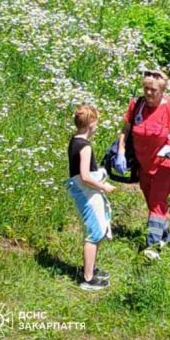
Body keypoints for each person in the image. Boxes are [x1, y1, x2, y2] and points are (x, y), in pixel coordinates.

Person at [117, 70, 170, 259]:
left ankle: (152, 246)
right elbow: (126, 130)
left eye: (154, 90)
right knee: (152, 202)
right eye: (146, 89)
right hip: (144, 163)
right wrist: (120, 152)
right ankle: (165, 236)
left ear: (162, 90)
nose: (149, 93)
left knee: (157, 203)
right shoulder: (136, 105)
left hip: (165, 163)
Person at [66, 105, 114, 291]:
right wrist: (104, 187)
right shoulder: (85, 147)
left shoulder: (74, 141)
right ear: (91, 124)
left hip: (82, 190)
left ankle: (91, 268)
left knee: (98, 229)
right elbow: (85, 176)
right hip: (87, 193)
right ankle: (88, 278)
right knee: (94, 233)